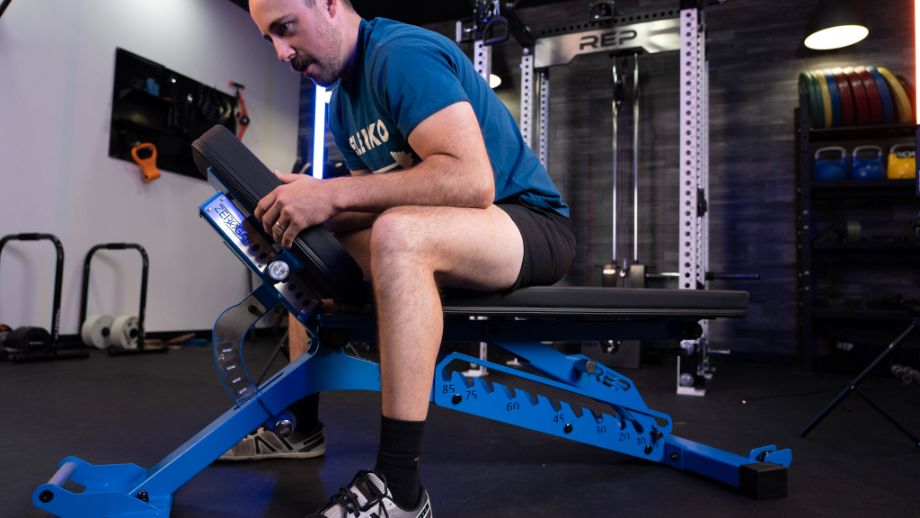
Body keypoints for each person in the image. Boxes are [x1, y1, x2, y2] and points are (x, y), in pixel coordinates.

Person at [234, 0, 576, 515]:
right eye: (271, 40)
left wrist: (330, 194)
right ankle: (301, 428)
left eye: (286, 29)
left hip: (526, 221)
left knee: (400, 235)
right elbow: (379, 199)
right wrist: (301, 208)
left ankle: (400, 489)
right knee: (309, 247)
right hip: (454, 227)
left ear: (329, 4)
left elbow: (471, 181)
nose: (282, 52)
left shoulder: (400, 55)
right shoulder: (344, 100)